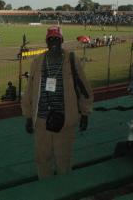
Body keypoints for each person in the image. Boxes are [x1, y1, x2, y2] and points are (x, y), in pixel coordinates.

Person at [21, 26, 93, 179]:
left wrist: (85, 113)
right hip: (41, 119)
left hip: (65, 119)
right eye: (51, 39)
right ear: (46, 42)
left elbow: (84, 88)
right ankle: (46, 188)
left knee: (63, 160)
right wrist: (28, 116)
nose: (54, 42)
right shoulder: (38, 61)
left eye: (57, 39)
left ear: (62, 41)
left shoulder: (72, 60)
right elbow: (29, 90)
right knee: (42, 158)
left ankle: (64, 189)